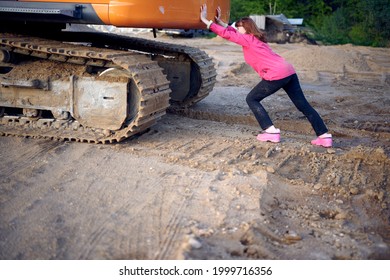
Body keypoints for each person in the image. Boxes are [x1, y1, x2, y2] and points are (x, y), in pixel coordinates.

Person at [200, 4, 333, 148]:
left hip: (277, 74)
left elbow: (228, 34)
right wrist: (220, 22)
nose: (237, 29)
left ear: (246, 29)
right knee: (302, 104)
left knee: (252, 99)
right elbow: (233, 32)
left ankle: (270, 131)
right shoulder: (256, 38)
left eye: (239, 27)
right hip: (289, 71)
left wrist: (207, 22)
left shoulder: (247, 39)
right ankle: (324, 136)